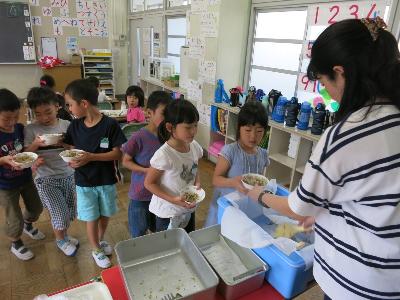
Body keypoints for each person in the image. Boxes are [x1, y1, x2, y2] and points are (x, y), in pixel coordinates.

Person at [247, 17, 400, 300]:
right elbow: (374, 201)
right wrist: (326, 218)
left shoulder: (347, 135)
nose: (325, 90)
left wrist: (261, 196)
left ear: (340, 73)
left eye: (322, 81)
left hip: (357, 284)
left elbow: (299, 209)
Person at [63, 79, 126, 268]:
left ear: (84, 103)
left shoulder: (110, 125)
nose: (69, 109)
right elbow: (69, 146)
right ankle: (95, 249)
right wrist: (71, 159)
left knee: (105, 214)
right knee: (91, 217)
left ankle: (99, 240)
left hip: (106, 179)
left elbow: (117, 153)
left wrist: (91, 157)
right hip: (83, 182)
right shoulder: (74, 126)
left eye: (70, 105)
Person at [25, 87, 78, 256]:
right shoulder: (31, 130)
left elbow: (73, 147)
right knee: (59, 213)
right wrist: (36, 146)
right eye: (38, 114)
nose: (43, 118)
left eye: (47, 112)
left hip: (68, 175)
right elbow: (25, 154)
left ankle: (65, 235)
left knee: (69, 211)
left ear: (57, 106)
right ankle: (60, 240)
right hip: (45, 178)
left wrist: (63, 143)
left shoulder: (67, 125)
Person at [205, 101, 269, 227]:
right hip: (226, 207)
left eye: (259, 131)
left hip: (248, 207)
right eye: (248, 130)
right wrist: (233, 182)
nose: (253, 136)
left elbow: (259, 179)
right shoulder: (230, 151)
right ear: (239, 128)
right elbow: (216, 180)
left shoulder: (263, 154)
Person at [144, 99, 202, 232]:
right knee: (168, 248)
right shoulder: (164, 155)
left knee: (187, 241)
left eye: (195, 126)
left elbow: (194, 167)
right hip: (167, 212)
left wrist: (197, 181)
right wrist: (173, 199)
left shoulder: (194, 146)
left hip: (187, 207)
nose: (193, 131)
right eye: (188, 127)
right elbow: (149, 183)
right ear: (170, 127)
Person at [0, 88, 44, 260]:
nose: (11, 122)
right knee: (14, 217)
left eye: (15, 117)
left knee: (36, 208)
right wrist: (4, 160)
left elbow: (25, 151)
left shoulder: (19, 128)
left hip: (25, 178)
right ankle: (16, 242)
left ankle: (28, 225)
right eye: (6, 119)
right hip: (5, 185)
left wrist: (36, 146)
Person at [122, 91, 172, 237]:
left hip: (163, 193)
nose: (168, 118)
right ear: (149, 112)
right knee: (138, 232)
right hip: (141, 194)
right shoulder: (139, 137)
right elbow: (126, 161)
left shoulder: (170, 137)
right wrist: (145, 171)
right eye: (164, 113)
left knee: (161, 233)